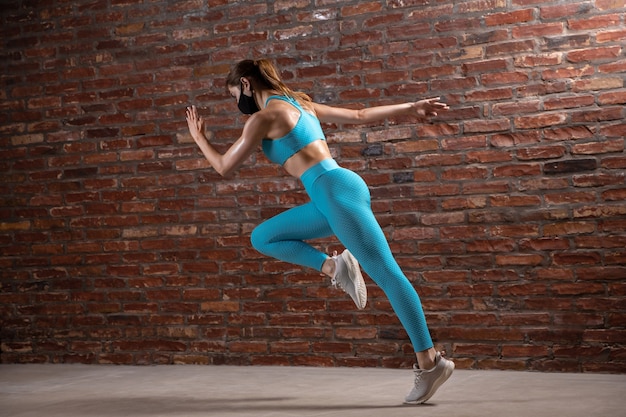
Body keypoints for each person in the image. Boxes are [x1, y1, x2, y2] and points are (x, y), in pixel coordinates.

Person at [185, 59, 454, 404]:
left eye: (235, 94)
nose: (237, 102)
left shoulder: (263, 117)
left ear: (247, 84)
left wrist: (200, 139)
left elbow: (224, 166)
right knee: (263, 237)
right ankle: (334, 266)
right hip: (334, 193)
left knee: (388, 275)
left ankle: (429, 362)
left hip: (333, 194)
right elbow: (358, 115)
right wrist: (410, 107)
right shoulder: (301, 103)